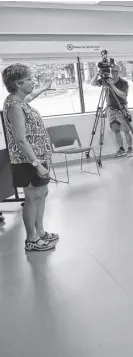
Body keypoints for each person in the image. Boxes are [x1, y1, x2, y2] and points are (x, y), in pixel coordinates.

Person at [2, 63, 58, 251]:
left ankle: (40, 232)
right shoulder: (13, 106)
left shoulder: (21, 101)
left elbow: (32, 95)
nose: (33, 82)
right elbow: (20, 140)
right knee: (32, 197)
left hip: (38, 157)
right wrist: (36, 164)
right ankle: (31, 239)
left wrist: (45, 88)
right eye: (30, 79)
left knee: (42, 194)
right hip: (27, 161)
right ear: (18, 83)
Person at [90, 64, 132, 157]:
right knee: (116, 130)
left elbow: (123, 95)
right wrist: (98, 73)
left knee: (126, 131)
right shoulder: (106, 80)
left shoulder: (123, 82)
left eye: (116, 71)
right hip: (111, 110)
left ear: (120, 72)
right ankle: (121, 149)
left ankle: (130, 149)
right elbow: (93, 83)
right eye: (112, 71)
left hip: (122, 109)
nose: (113, 73)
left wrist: (112, 85)